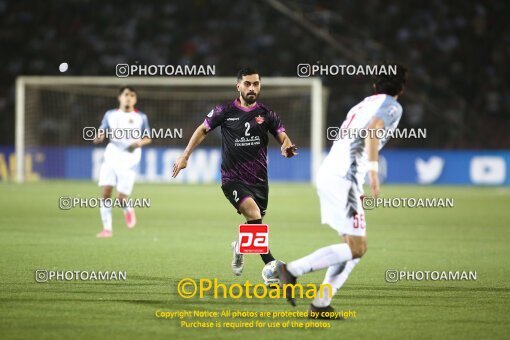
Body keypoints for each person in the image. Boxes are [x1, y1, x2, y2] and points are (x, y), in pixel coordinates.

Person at [277, 64, 408, 317]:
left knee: (352, 247)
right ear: (401, 88)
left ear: (374, 85)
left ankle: (321, 304)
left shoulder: (362, 105)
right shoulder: (392, 105)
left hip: (331, 173)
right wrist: (373, 171)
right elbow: (372, 132)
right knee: (357, 247)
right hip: (345, 178)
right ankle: (292, 270)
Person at [172, 67, 298, 276]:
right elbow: (202, 129)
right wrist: (185, 155)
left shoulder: (267, 114)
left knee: (254, 223)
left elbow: (283, 136)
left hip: (259, 180)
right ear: (238, 86)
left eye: (256, 84)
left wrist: (287, 146)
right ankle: (273, 266)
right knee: (254, 214)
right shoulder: (224, 111)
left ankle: (240, 246)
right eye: (247, 84)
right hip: (232, 178)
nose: (252, 88)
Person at [93, 86, 152, 238]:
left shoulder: (141, 117)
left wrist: (139, 143)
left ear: (135, 99)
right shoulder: (110, 115)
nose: (129, 98)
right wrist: (100, 135)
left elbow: (148, 137)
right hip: (112, 154)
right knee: (106, 192)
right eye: (126, 94)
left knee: (120, 198)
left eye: (132, 95)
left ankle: (127, 208)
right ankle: (107, 229)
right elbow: (103, 129)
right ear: (119, 97)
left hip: (130, 158)